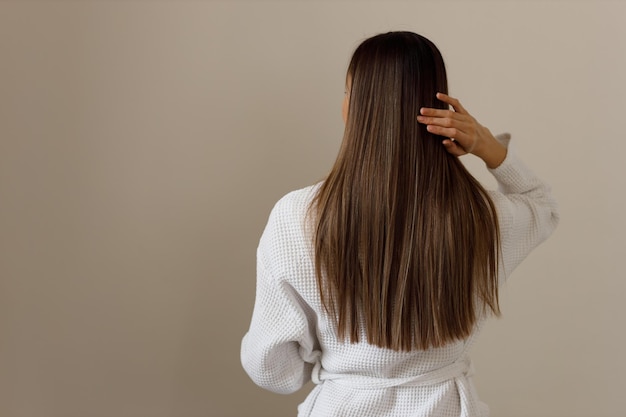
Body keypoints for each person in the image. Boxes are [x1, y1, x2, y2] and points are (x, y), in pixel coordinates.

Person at [241, 31, 559, 417]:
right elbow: (541, 206)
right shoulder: (482, 216)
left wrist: (337, 361)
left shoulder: (297, 216)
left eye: (347, 93)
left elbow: (274, 370)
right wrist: (485, 144)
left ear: (356, 107)